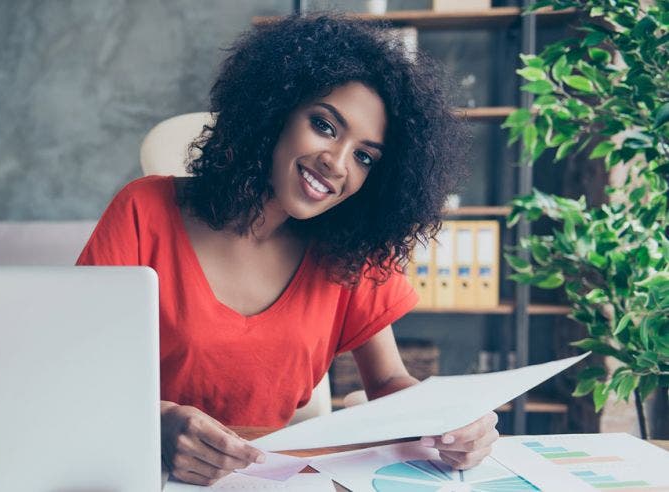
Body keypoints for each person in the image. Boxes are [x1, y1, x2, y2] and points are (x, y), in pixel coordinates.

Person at [76, 13, 497, 486]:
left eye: (364, 157)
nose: (336, 164)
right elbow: (76, 373)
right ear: (275, 110)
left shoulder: (348, 253)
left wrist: (450, 423)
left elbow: (388, 383)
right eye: (324, 125)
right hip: (134, 472)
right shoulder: (144, 210)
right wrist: (157, 421)